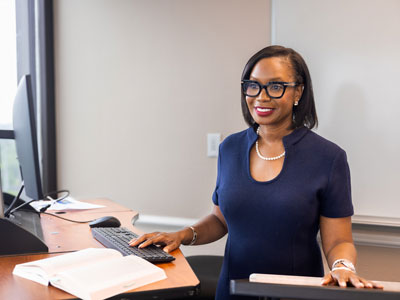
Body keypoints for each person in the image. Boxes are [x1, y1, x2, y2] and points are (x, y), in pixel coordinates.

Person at [129, 45, 383, 299]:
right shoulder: (230, 148)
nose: (261, 96)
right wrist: (182, 235)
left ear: (298, 92)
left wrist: (343, 266)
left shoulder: (328, 157)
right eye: (253, 85)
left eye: (275, 87)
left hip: (294, 294)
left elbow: (339, 241)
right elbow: (220, 220)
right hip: (232, 290)